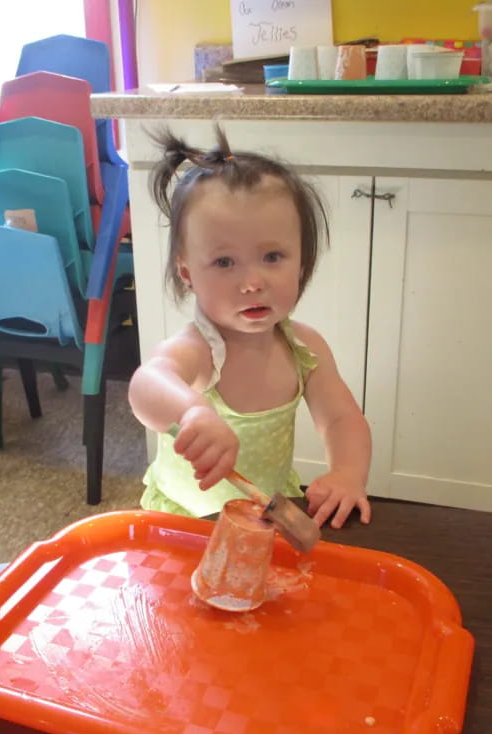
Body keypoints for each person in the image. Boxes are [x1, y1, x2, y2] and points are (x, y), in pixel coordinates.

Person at [128, 126, 371, 529]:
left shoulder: (304, 348)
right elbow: (146, 385)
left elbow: (342, 419)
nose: (252, 282)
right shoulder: (199, 350)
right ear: (187, 272)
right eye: (225, 263)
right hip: (185, 522)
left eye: (273, 256)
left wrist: (347, 473)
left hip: (265, 517)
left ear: (302, 264)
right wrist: (192, 413)